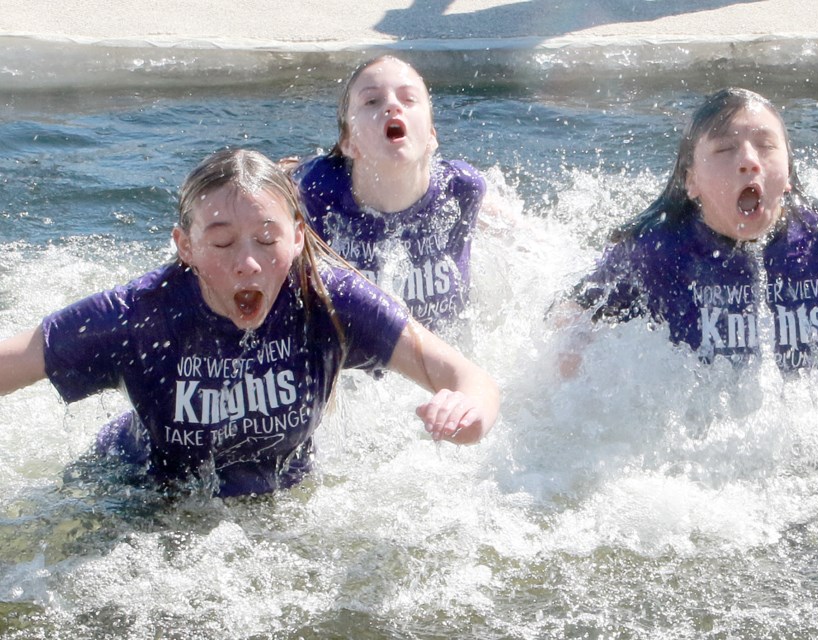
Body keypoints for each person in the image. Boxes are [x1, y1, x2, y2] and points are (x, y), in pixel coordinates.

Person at [0, 149, 499, 498]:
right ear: (186, 246)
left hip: (281, 494)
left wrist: (469, 411)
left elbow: (466, 377)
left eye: (267, 240)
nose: (249, 264)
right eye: (221, 243)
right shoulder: (139, 316)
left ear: (299, 238)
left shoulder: (328, 301)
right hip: (136, 493)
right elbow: (14, 360)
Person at [559, 87, 818, 375]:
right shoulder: (657, 253)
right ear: (691, 181)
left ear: (787, 175)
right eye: (725, 150)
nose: (749, 162)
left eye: (766, 146)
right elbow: (575, 306)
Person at [287, 55, 486, 334]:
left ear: (431, 136)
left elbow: (517, 229)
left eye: (409, 100)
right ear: (348, 142)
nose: (393, 106)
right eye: (372, 101)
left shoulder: (462, 189)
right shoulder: (318, 189)